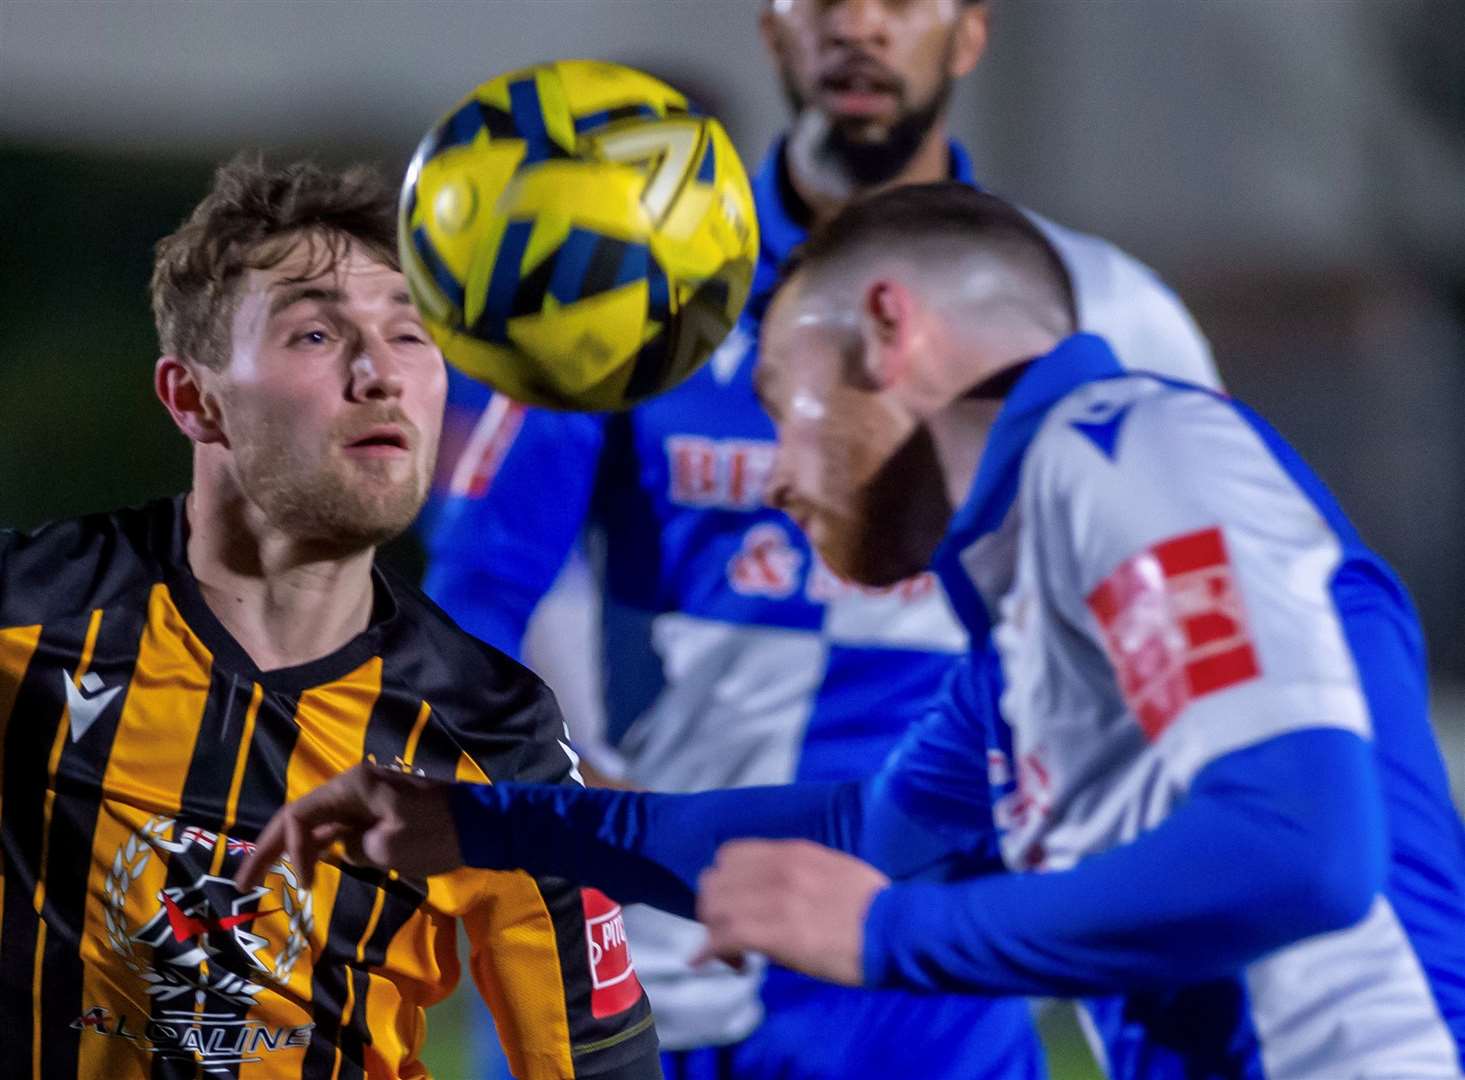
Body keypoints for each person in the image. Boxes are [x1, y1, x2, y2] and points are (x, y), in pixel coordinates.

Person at [245, 183, 1465, 1079]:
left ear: (888, 331)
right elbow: (867, 831)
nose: (773, 471)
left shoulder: (1132, 446)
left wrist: (892, 937)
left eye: (783, 399)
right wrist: (483, 822)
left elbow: (1304, 849)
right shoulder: (1021, 603)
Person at [423, 1, 1218, 1075]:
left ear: (970, 31)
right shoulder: (631, 274)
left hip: (929, 963)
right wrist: (562, 798)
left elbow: (1187, 629)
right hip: (664, 946)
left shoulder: (1109, 309)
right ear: (771, 26)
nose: (858, 24)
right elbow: (475, 590)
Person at [0, 157, 661, 1080]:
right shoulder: (25, 615)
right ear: (194, 399)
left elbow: (599, 1069)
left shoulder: (493, 735)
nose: (380, 374)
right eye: (315, 333)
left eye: (411, 335)